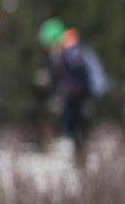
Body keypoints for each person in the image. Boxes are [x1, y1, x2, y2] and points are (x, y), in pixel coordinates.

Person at [38, 18, 106, 163]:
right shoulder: (66, 53)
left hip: (78, 95)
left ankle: (80, 157)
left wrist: (74, 92)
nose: (50, 49)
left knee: (74, 126)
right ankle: (78, 156)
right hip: (73, 94)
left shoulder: (73, 53)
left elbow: (79, 76)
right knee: (72, 126)